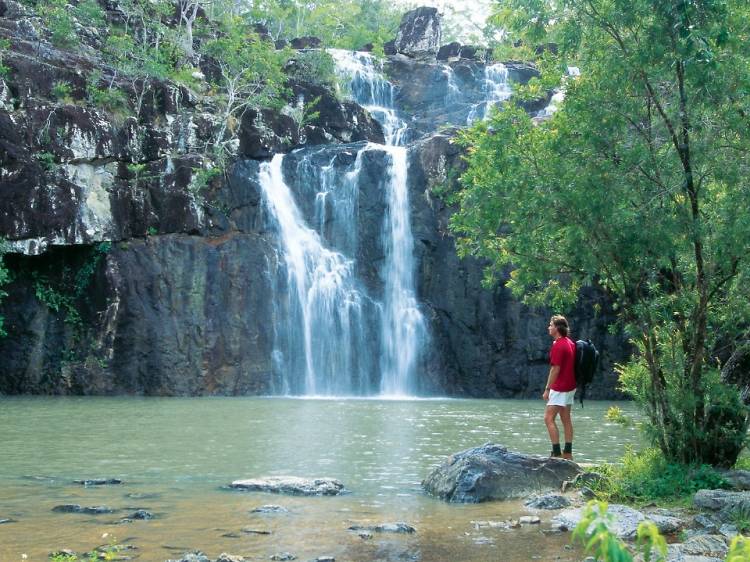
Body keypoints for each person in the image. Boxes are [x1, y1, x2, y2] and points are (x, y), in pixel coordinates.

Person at [542, 315, 576, 460]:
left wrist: (547, 389)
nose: (548, 327)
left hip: (560, 387)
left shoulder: (558, 345)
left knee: (548, 418)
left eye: (550, 325)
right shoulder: (570, 343)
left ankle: (556, 454)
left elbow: (555, 369)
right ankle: (567, 453)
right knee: (566, 418)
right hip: (571, 386)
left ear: (557, 328)